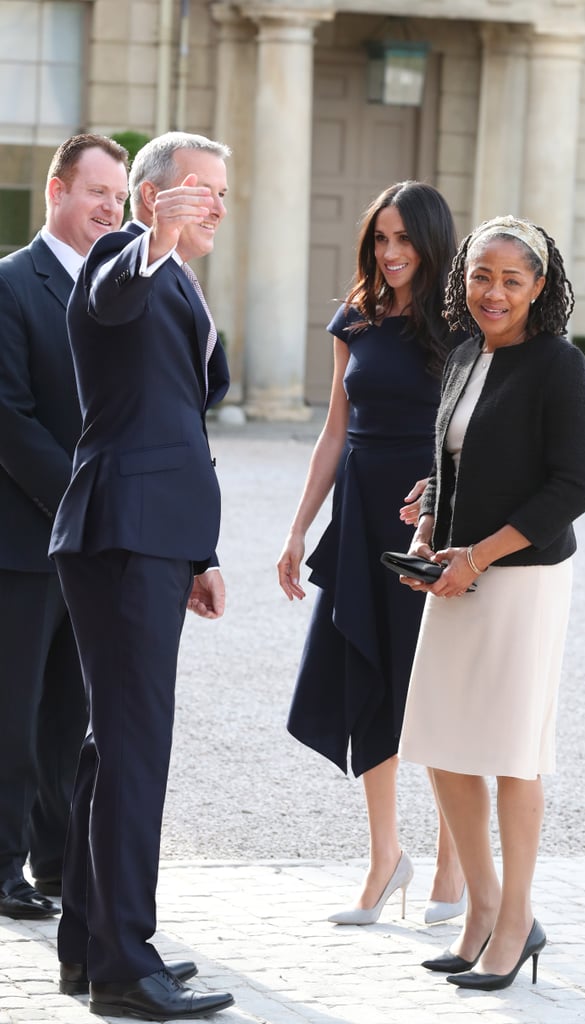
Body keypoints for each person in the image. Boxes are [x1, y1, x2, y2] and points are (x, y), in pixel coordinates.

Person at [49, 132, 234, 1020]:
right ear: (158, 197)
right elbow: (114, 297)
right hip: (119, 533)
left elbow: (177, 419)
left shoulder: (184, 284)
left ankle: (91, 947)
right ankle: (126, 963)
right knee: (134, 750)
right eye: (205, 192)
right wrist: (153, 235)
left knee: (109, 747)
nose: (219, 208)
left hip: (152, 539)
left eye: (225, 194)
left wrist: (197, 553)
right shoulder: (123, 258)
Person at [399, 215, 585, 990]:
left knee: (512, 751)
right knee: (442, 743)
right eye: (482, 275)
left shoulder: (559, 367)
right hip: (449, 572)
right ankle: (480, 910)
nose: (493, 292)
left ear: (539, 288)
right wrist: (426, 527)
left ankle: (516, 919)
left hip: (520, 579)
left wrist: (476, 554)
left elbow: (572, 486)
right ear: (464, 278)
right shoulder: (459, 355)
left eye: (512, 280)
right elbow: (451, 462)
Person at [277, 181, 466, 925]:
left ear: (430, 242)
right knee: (369, 679)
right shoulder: (353, 317)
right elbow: (333, 430)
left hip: (431, 518)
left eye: (403, 240)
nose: (389, 253)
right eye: (379, 239)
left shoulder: (461, 323)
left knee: (439, 687)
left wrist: (445, 491)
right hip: (359, 516)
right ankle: (385, 859)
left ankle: (454, 859)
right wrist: (297, 529)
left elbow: (477, 430)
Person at [0, 134, 129, 920]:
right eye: (95, 193)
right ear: (56, 191)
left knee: (69, 718)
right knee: (11, 711)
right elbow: (8, 418)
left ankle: (56, 862)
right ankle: (1, 865)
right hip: (21, 539)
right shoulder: (12, 283)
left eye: (116, 198)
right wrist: (78, 500)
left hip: (93, 546)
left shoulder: (117, 288)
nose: (107, 209)